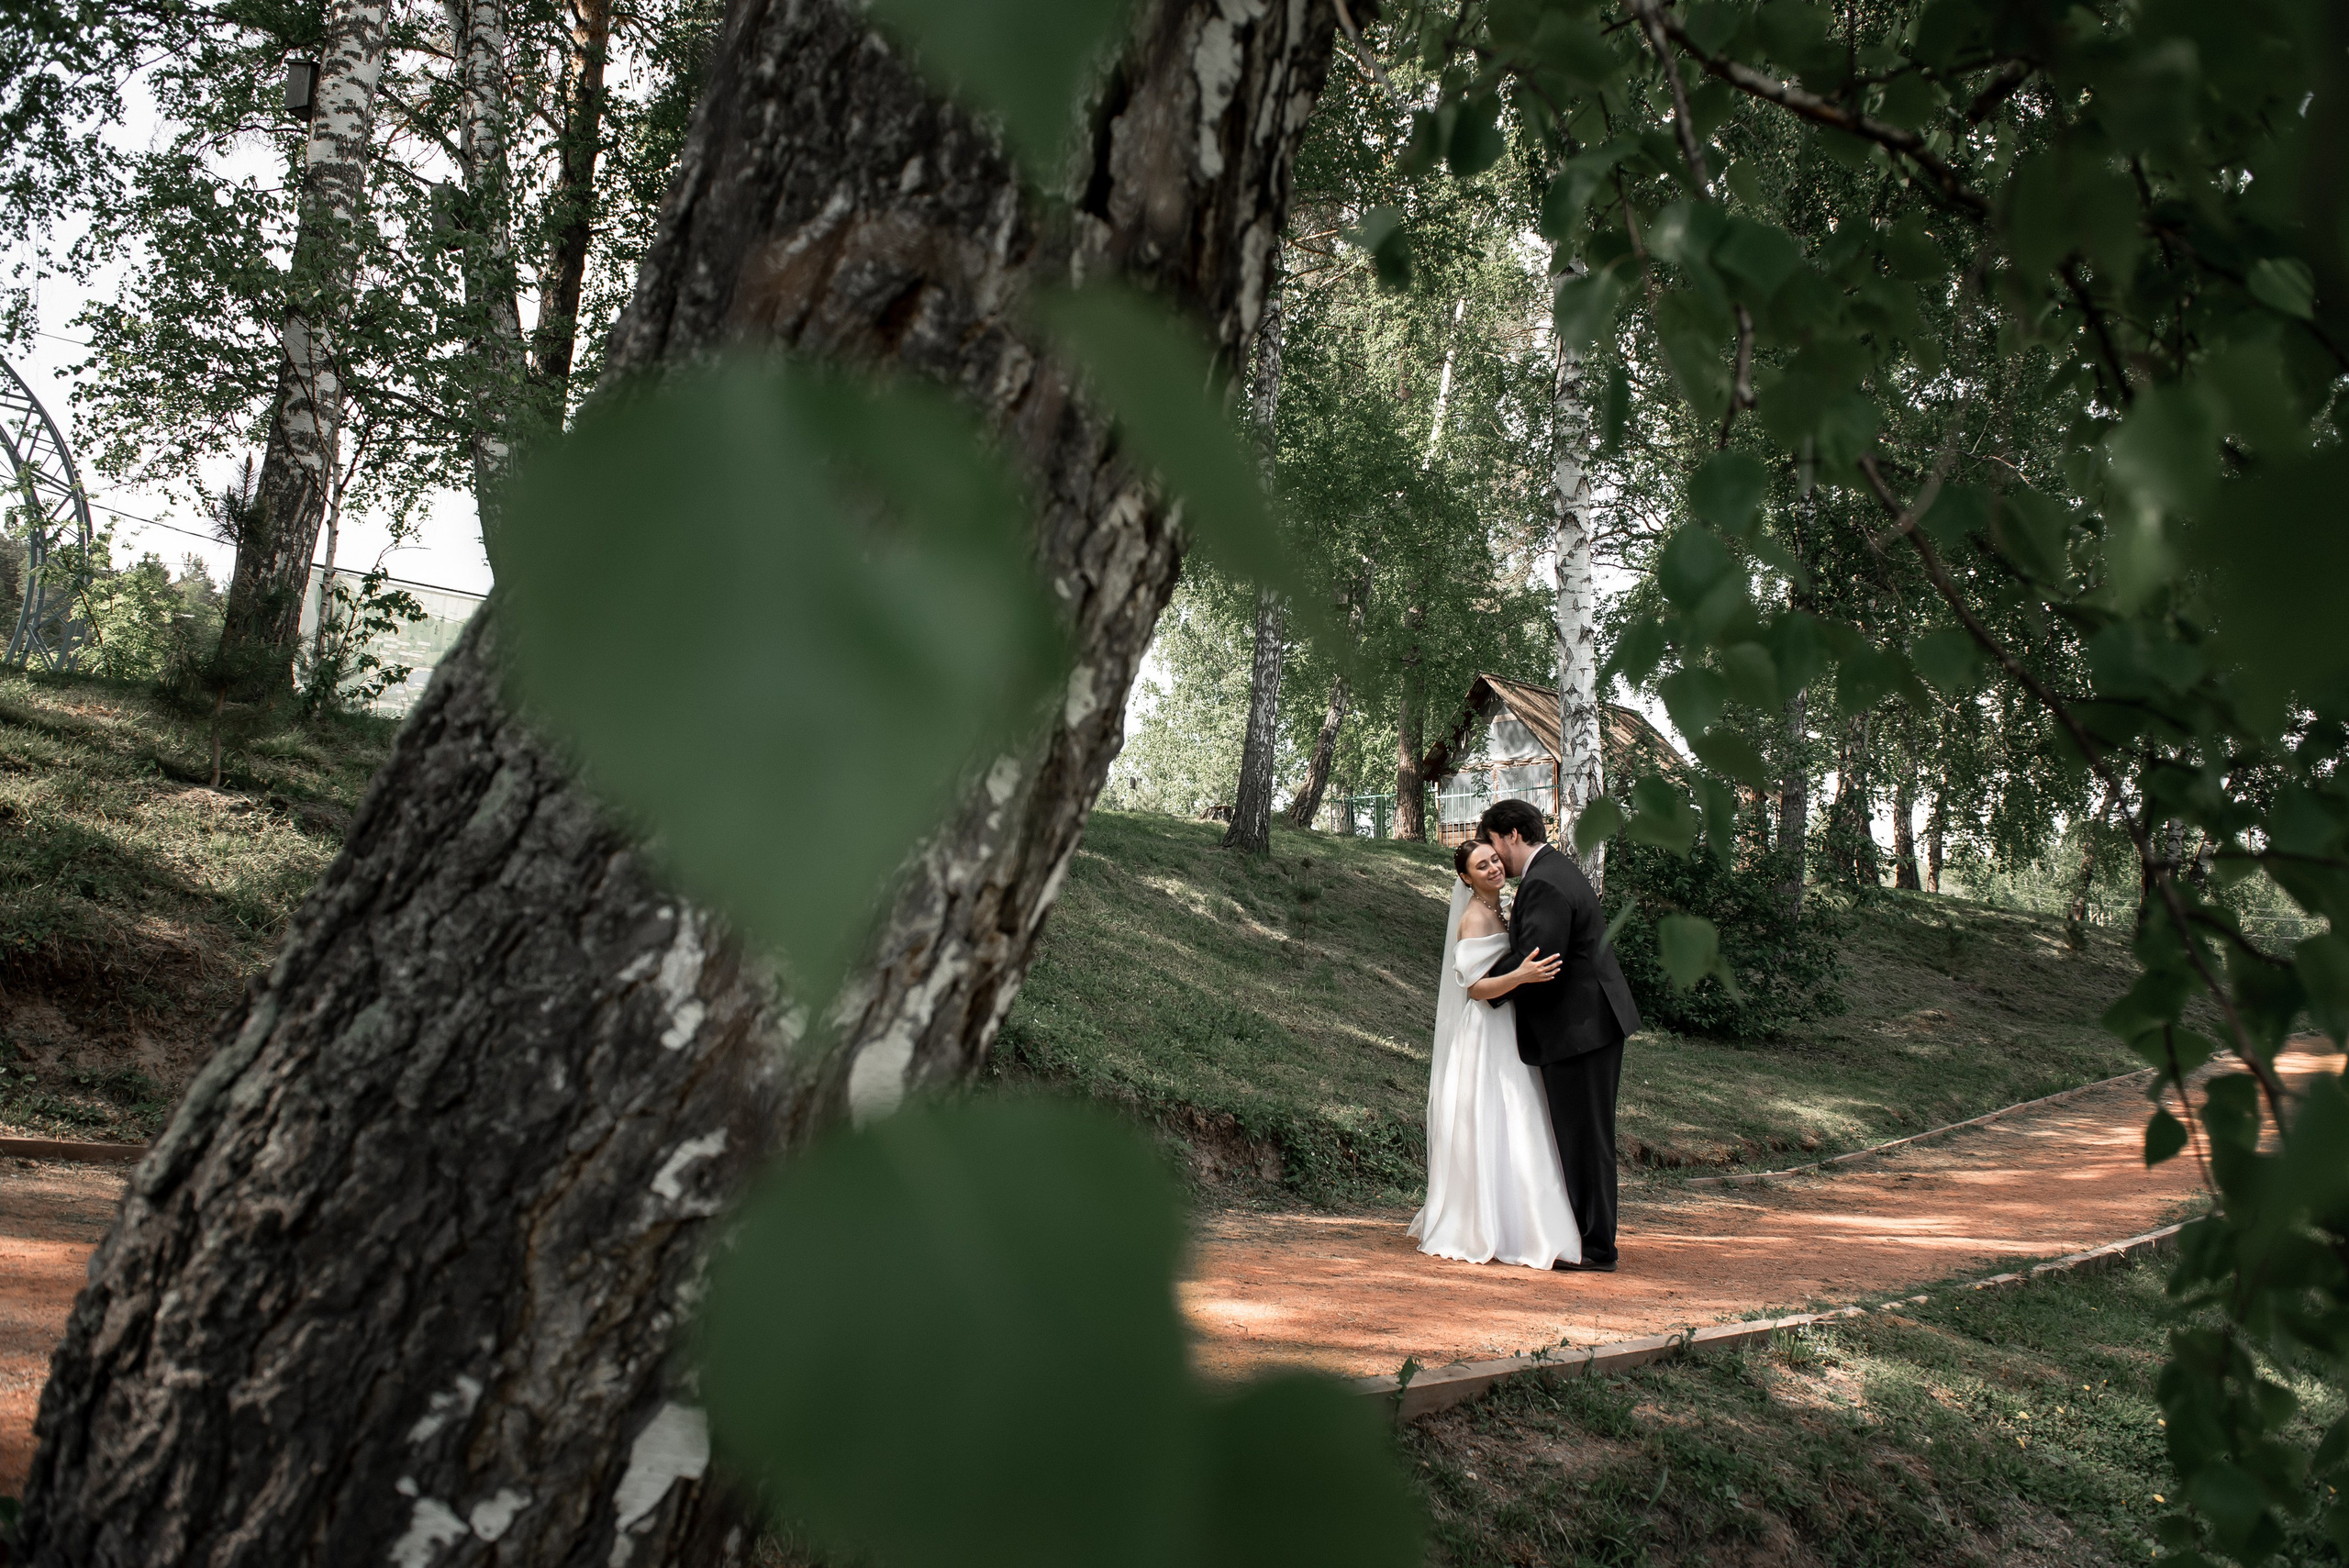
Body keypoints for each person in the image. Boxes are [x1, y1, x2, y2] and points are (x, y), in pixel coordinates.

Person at [1475, 797, 1642, 1272]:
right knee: (1583, 1134)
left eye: (1493, 844)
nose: (1494, 857)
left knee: (1586, 1137)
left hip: (1581, 1028)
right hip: (1589, 1023)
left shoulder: (1544, 881)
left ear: (1511, 835)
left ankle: (1597, 1249)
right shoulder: (1554, 869)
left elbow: (1539, 960)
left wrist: (1481, 984)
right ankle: (1587, 1237)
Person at [1406, 838, 1583, 1270]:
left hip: (1513, 1028)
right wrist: (1521, 975)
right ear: (1466, 878)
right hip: (1487, 1033)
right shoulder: (1473, 919)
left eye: (1493, 860)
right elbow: (1476, 989)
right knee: (1503, 1116)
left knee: (1522, 1118)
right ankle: (1490, 1225)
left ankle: (1530, 1223)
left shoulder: (1504, 909)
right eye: (1480, 866)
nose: (1492, 869)